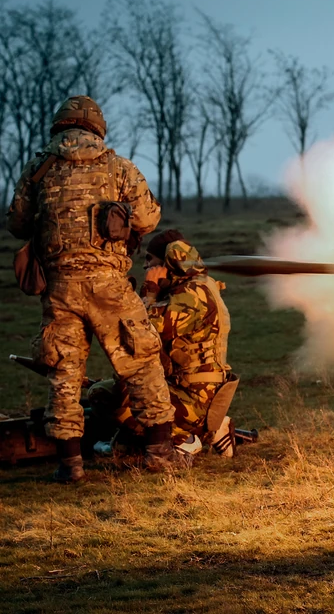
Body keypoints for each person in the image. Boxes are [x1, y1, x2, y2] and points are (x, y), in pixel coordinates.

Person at [6, 95, 176, 482]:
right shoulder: (118, 167)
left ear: (58, 127)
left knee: (63, 373)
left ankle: (70, 466)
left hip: (60, 288)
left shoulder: (38, 170)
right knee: (141, 362)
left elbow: (16, 225)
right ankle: (159, 454)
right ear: (97, 129)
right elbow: (148, 218)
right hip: (109, 285)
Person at [141, 230, 237, 459]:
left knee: (120, 398)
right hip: (187, 390)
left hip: (195, 399)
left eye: (150, 260)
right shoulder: (189, 288)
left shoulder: (192, 294)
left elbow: (145, 334)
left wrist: (150, 290)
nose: (145, 266)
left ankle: (188, 439)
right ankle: (212, 431)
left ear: (167, 262)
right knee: (106, 395)